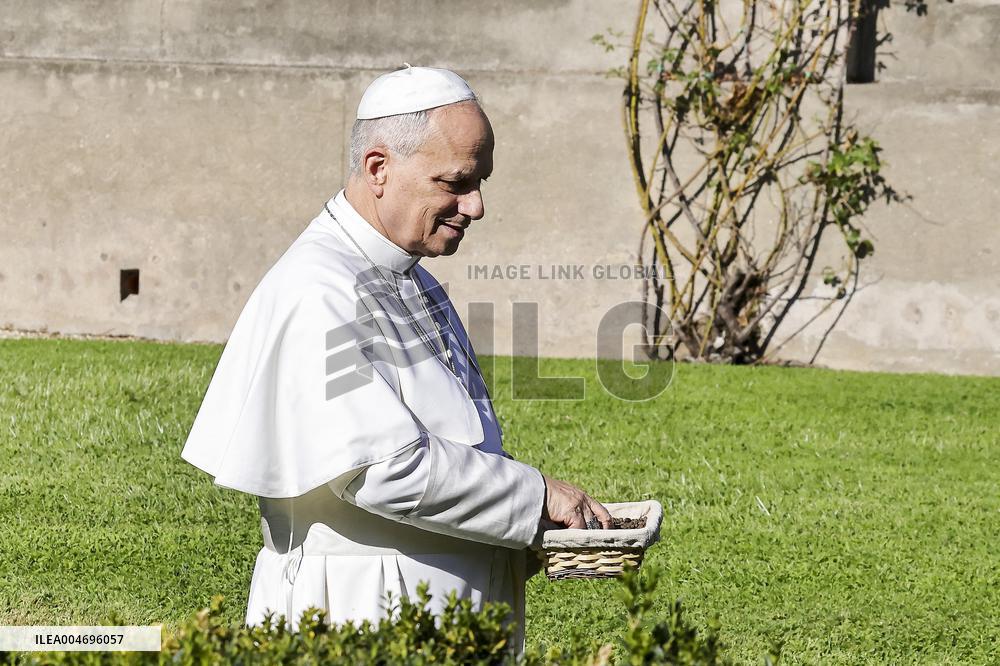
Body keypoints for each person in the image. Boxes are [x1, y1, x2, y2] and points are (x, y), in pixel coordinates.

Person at [179, 65, 611, 648]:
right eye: (455, 182)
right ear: (378, 168)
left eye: (480, 182)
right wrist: (535, 497)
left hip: (430, 602)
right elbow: (381, 470)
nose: (476, 206)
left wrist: (523, 531)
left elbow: (454, 444)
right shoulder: (319, 287)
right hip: (366, 610)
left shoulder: (411, 277)